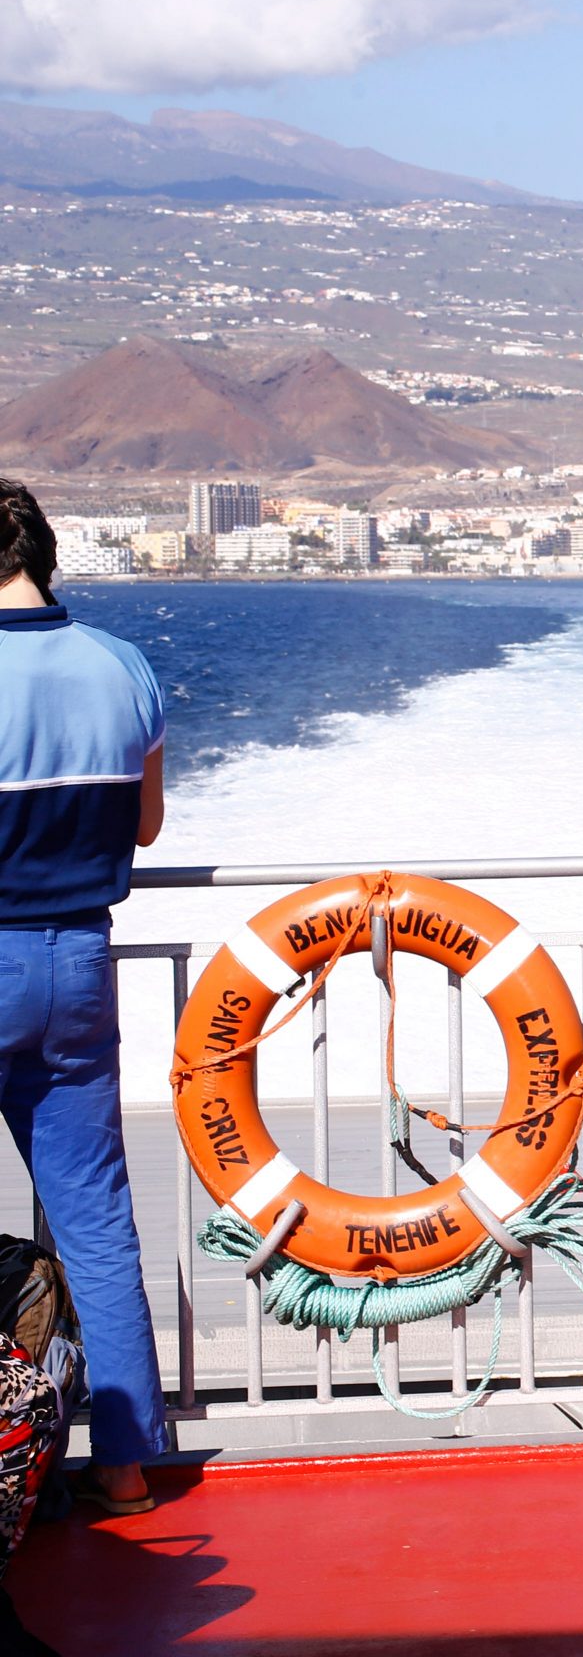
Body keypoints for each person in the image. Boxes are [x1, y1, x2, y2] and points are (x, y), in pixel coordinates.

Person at [0, 480, 168, 1516]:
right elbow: (146, 828)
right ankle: (125, 1465)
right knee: (96, 1221)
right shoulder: (123, 664)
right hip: (75, 968)